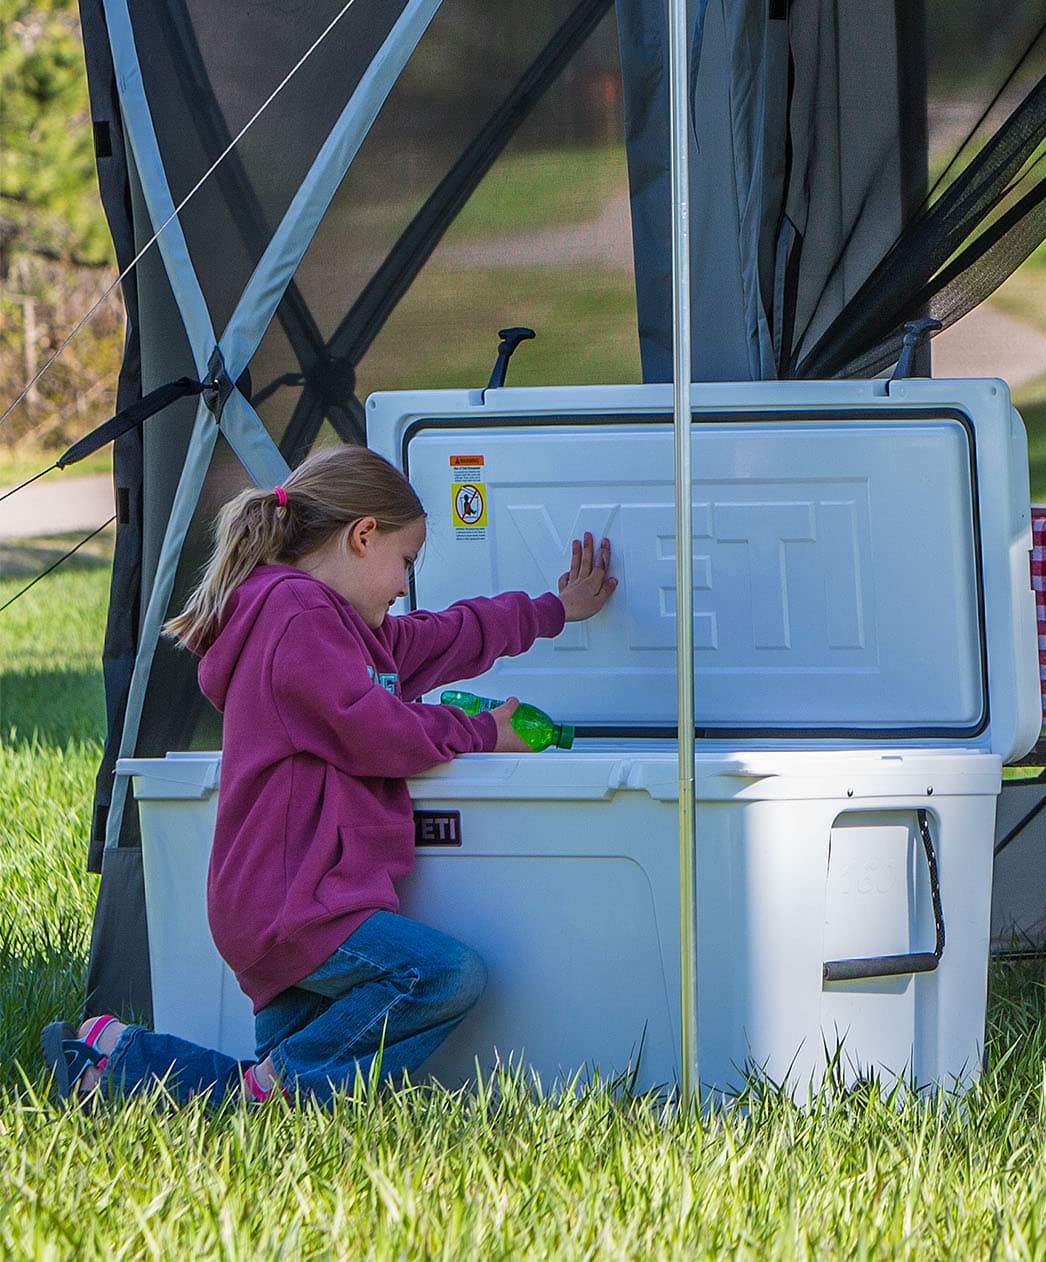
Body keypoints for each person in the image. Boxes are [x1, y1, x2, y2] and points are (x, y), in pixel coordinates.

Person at [44, 445, 617, 1105]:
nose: (405, 583)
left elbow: (441, 636)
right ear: (362, 535)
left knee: (273, 1100)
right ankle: (123, 1057)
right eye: (406, 561)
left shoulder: (337, 626)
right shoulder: (298, 619)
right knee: (444, 977)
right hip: (296, 898)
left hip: (285, 896)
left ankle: (111, 1061)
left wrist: (552, 611)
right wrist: (487, 732)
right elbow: (378, 731)